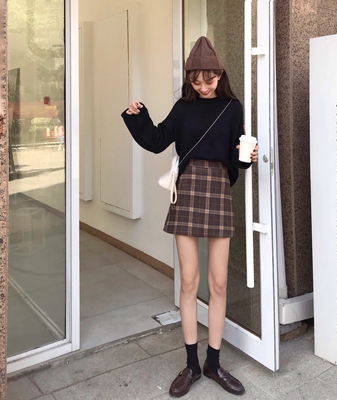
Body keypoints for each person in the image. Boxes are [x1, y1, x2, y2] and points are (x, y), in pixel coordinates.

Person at [121, 36, 258, 397]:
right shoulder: (183, 108)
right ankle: (192, 365)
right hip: (188, 191)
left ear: (220, 75)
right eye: (196, 82)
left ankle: (214, 363)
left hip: (218, 191)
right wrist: (137, 116)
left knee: (218, 283)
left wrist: (248, 157)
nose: (202, 87)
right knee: (188, 283)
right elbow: (157, 140)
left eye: (208, 80)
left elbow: (237, 156)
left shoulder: (232, 108)